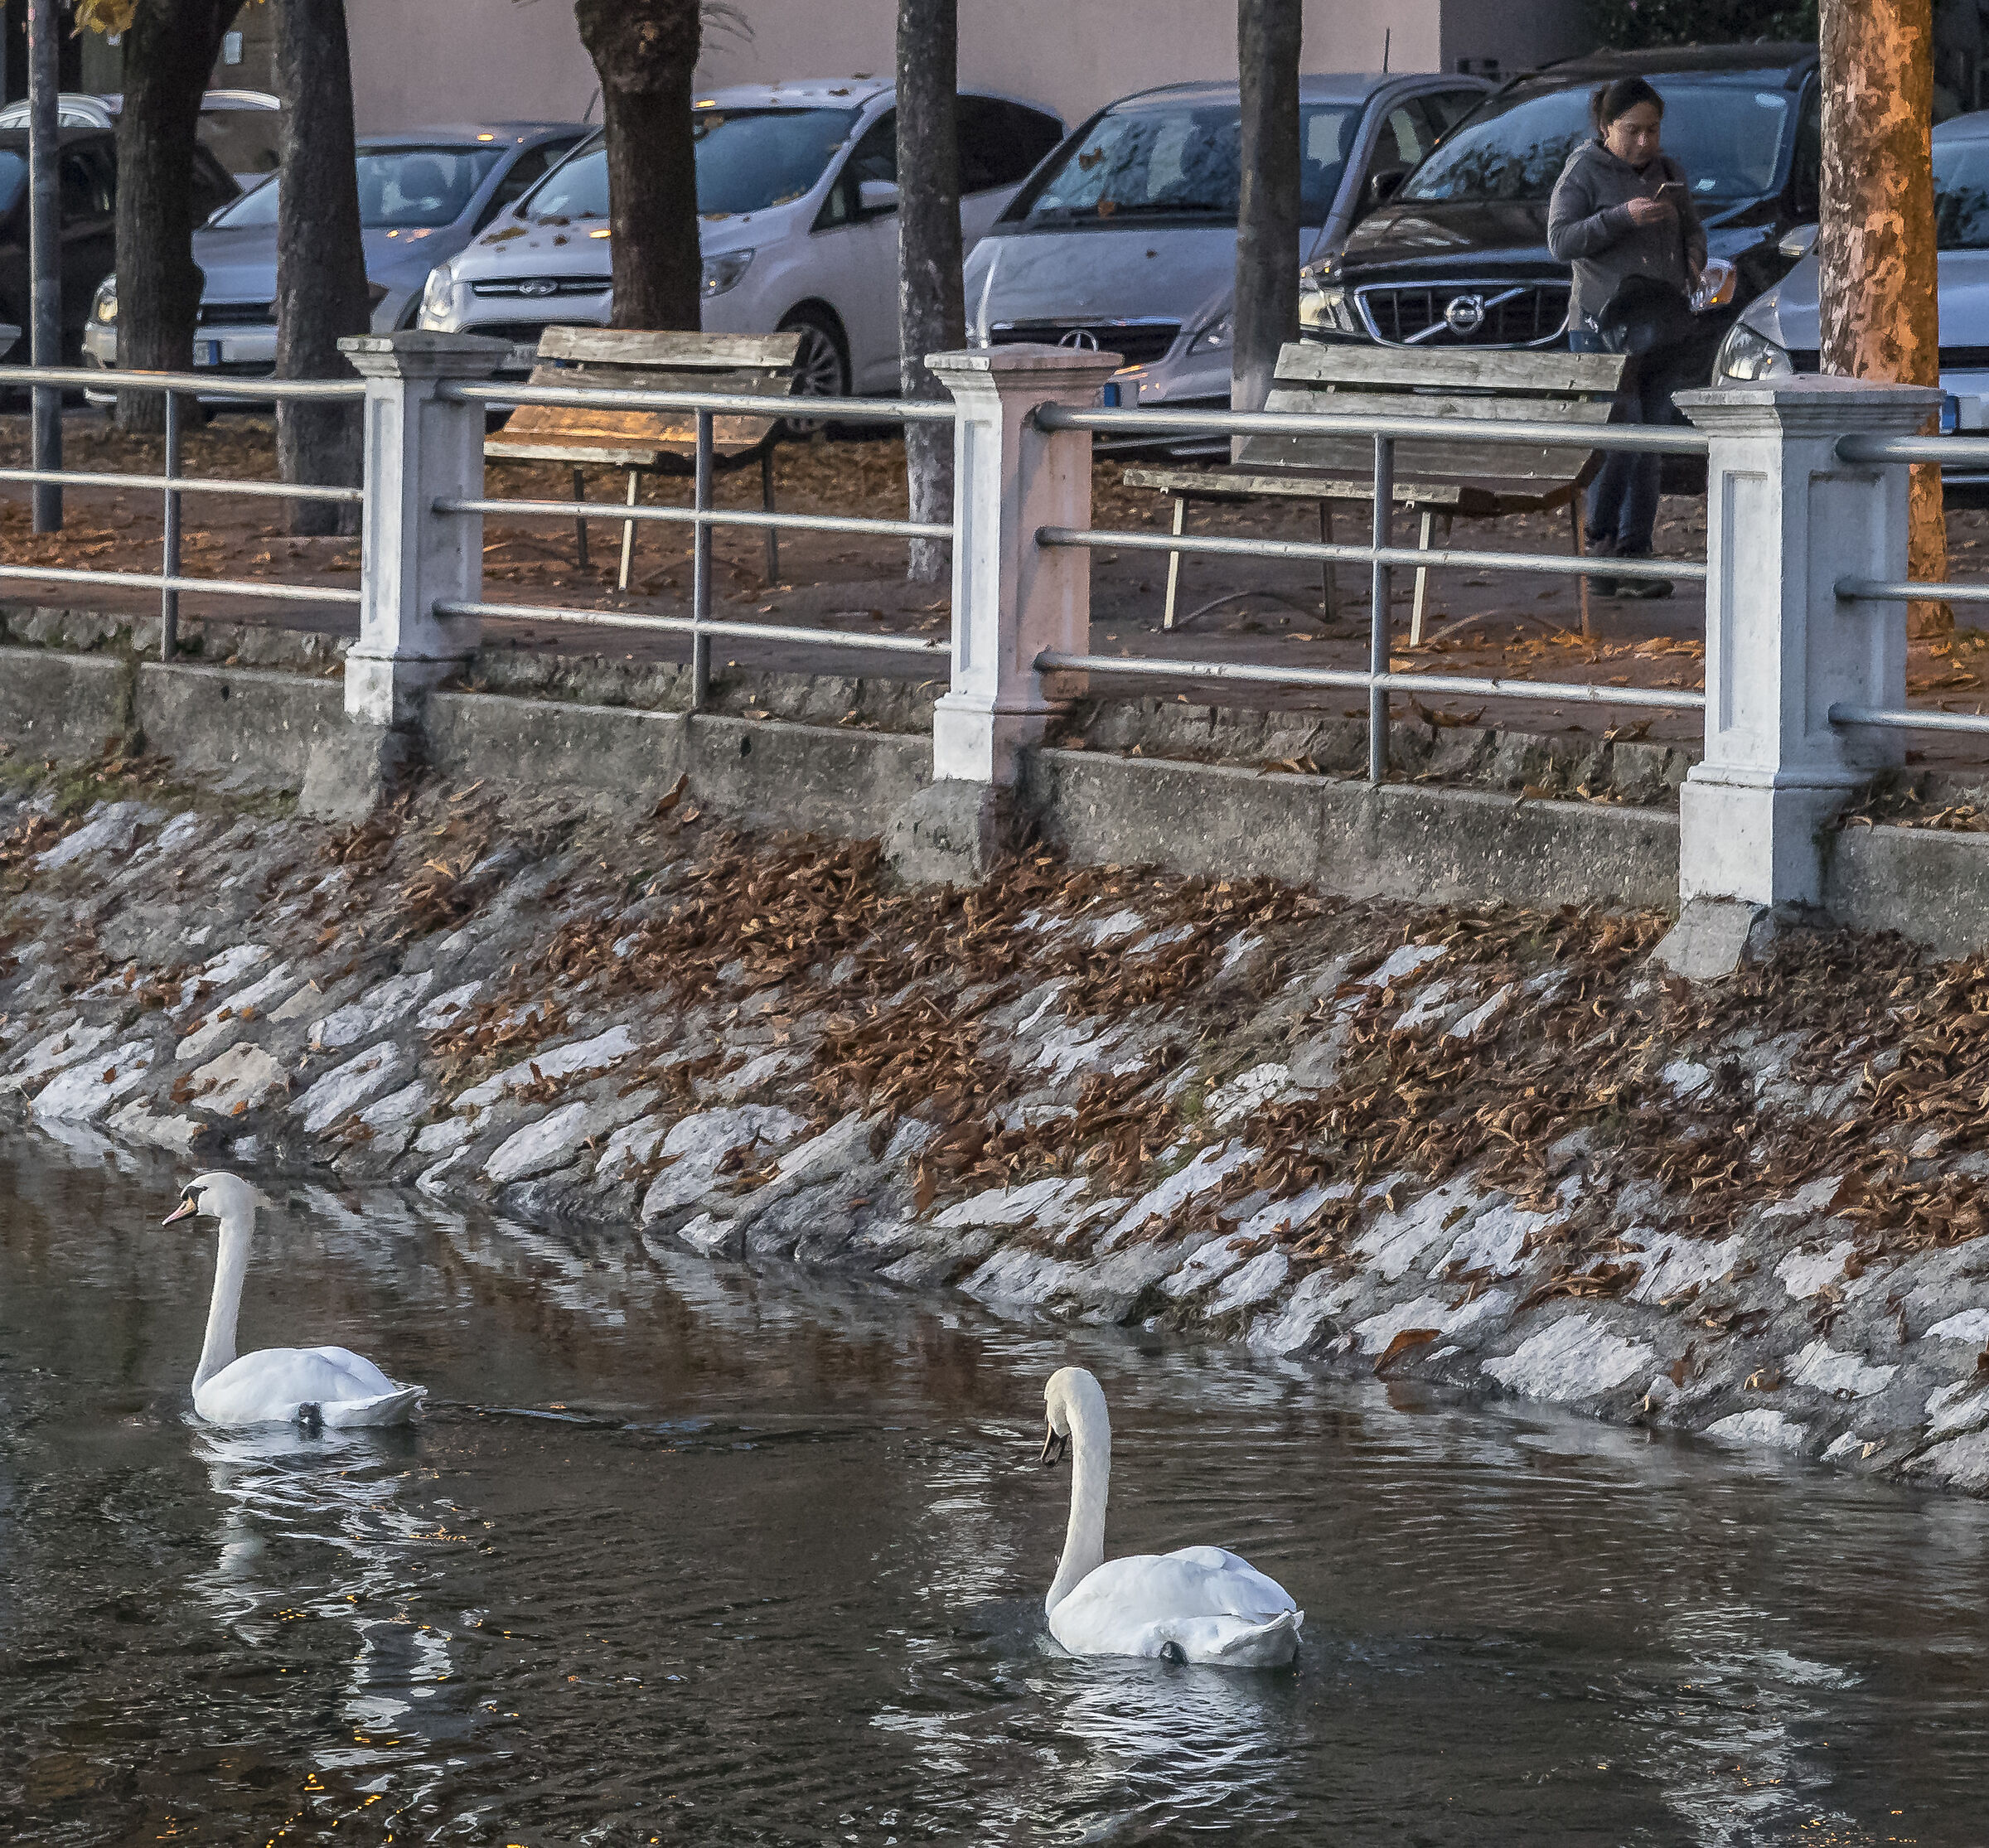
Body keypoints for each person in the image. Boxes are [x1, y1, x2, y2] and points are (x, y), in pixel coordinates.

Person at [1547, 77, 1706, 600]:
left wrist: (1693, 257)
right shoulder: (1583, 170)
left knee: (1653, 439)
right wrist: (1620, 217)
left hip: (1660, 323)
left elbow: (1692, 228)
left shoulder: (1670, 172)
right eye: (1633, 131)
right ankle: (1599, 543)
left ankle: (1636, 551)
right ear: (1605, 128)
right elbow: (1561, 240)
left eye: (1653, 130)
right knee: (1623, 437)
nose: (1644, 142)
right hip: (1600, 325)